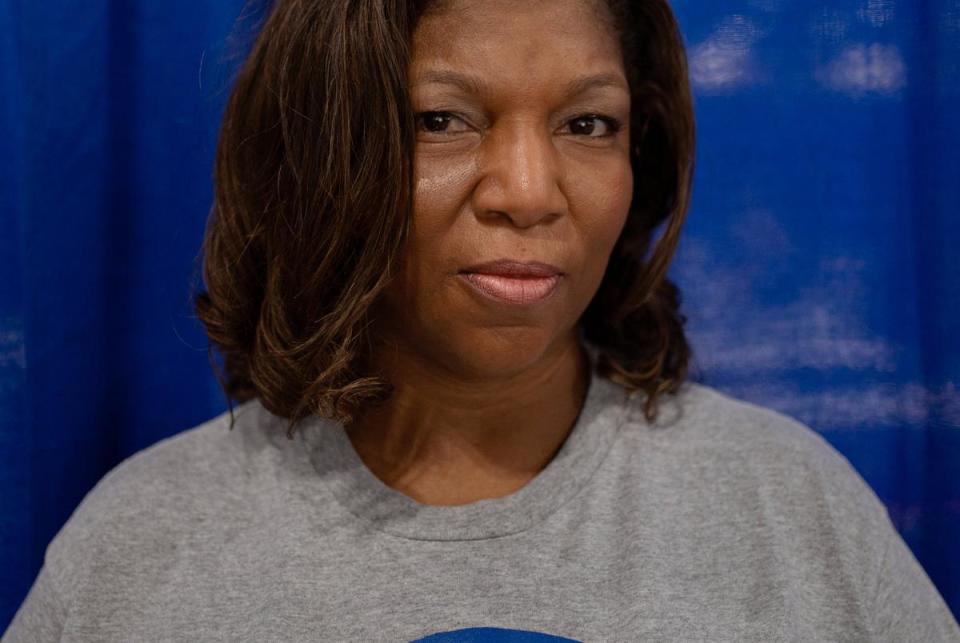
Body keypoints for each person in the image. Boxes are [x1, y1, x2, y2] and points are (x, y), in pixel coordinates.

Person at [4, 0, 959, 640]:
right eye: (441, 120)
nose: (529, 192)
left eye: (588, 124)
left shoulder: (789, 507)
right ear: (320, 154)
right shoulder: (141, 548)